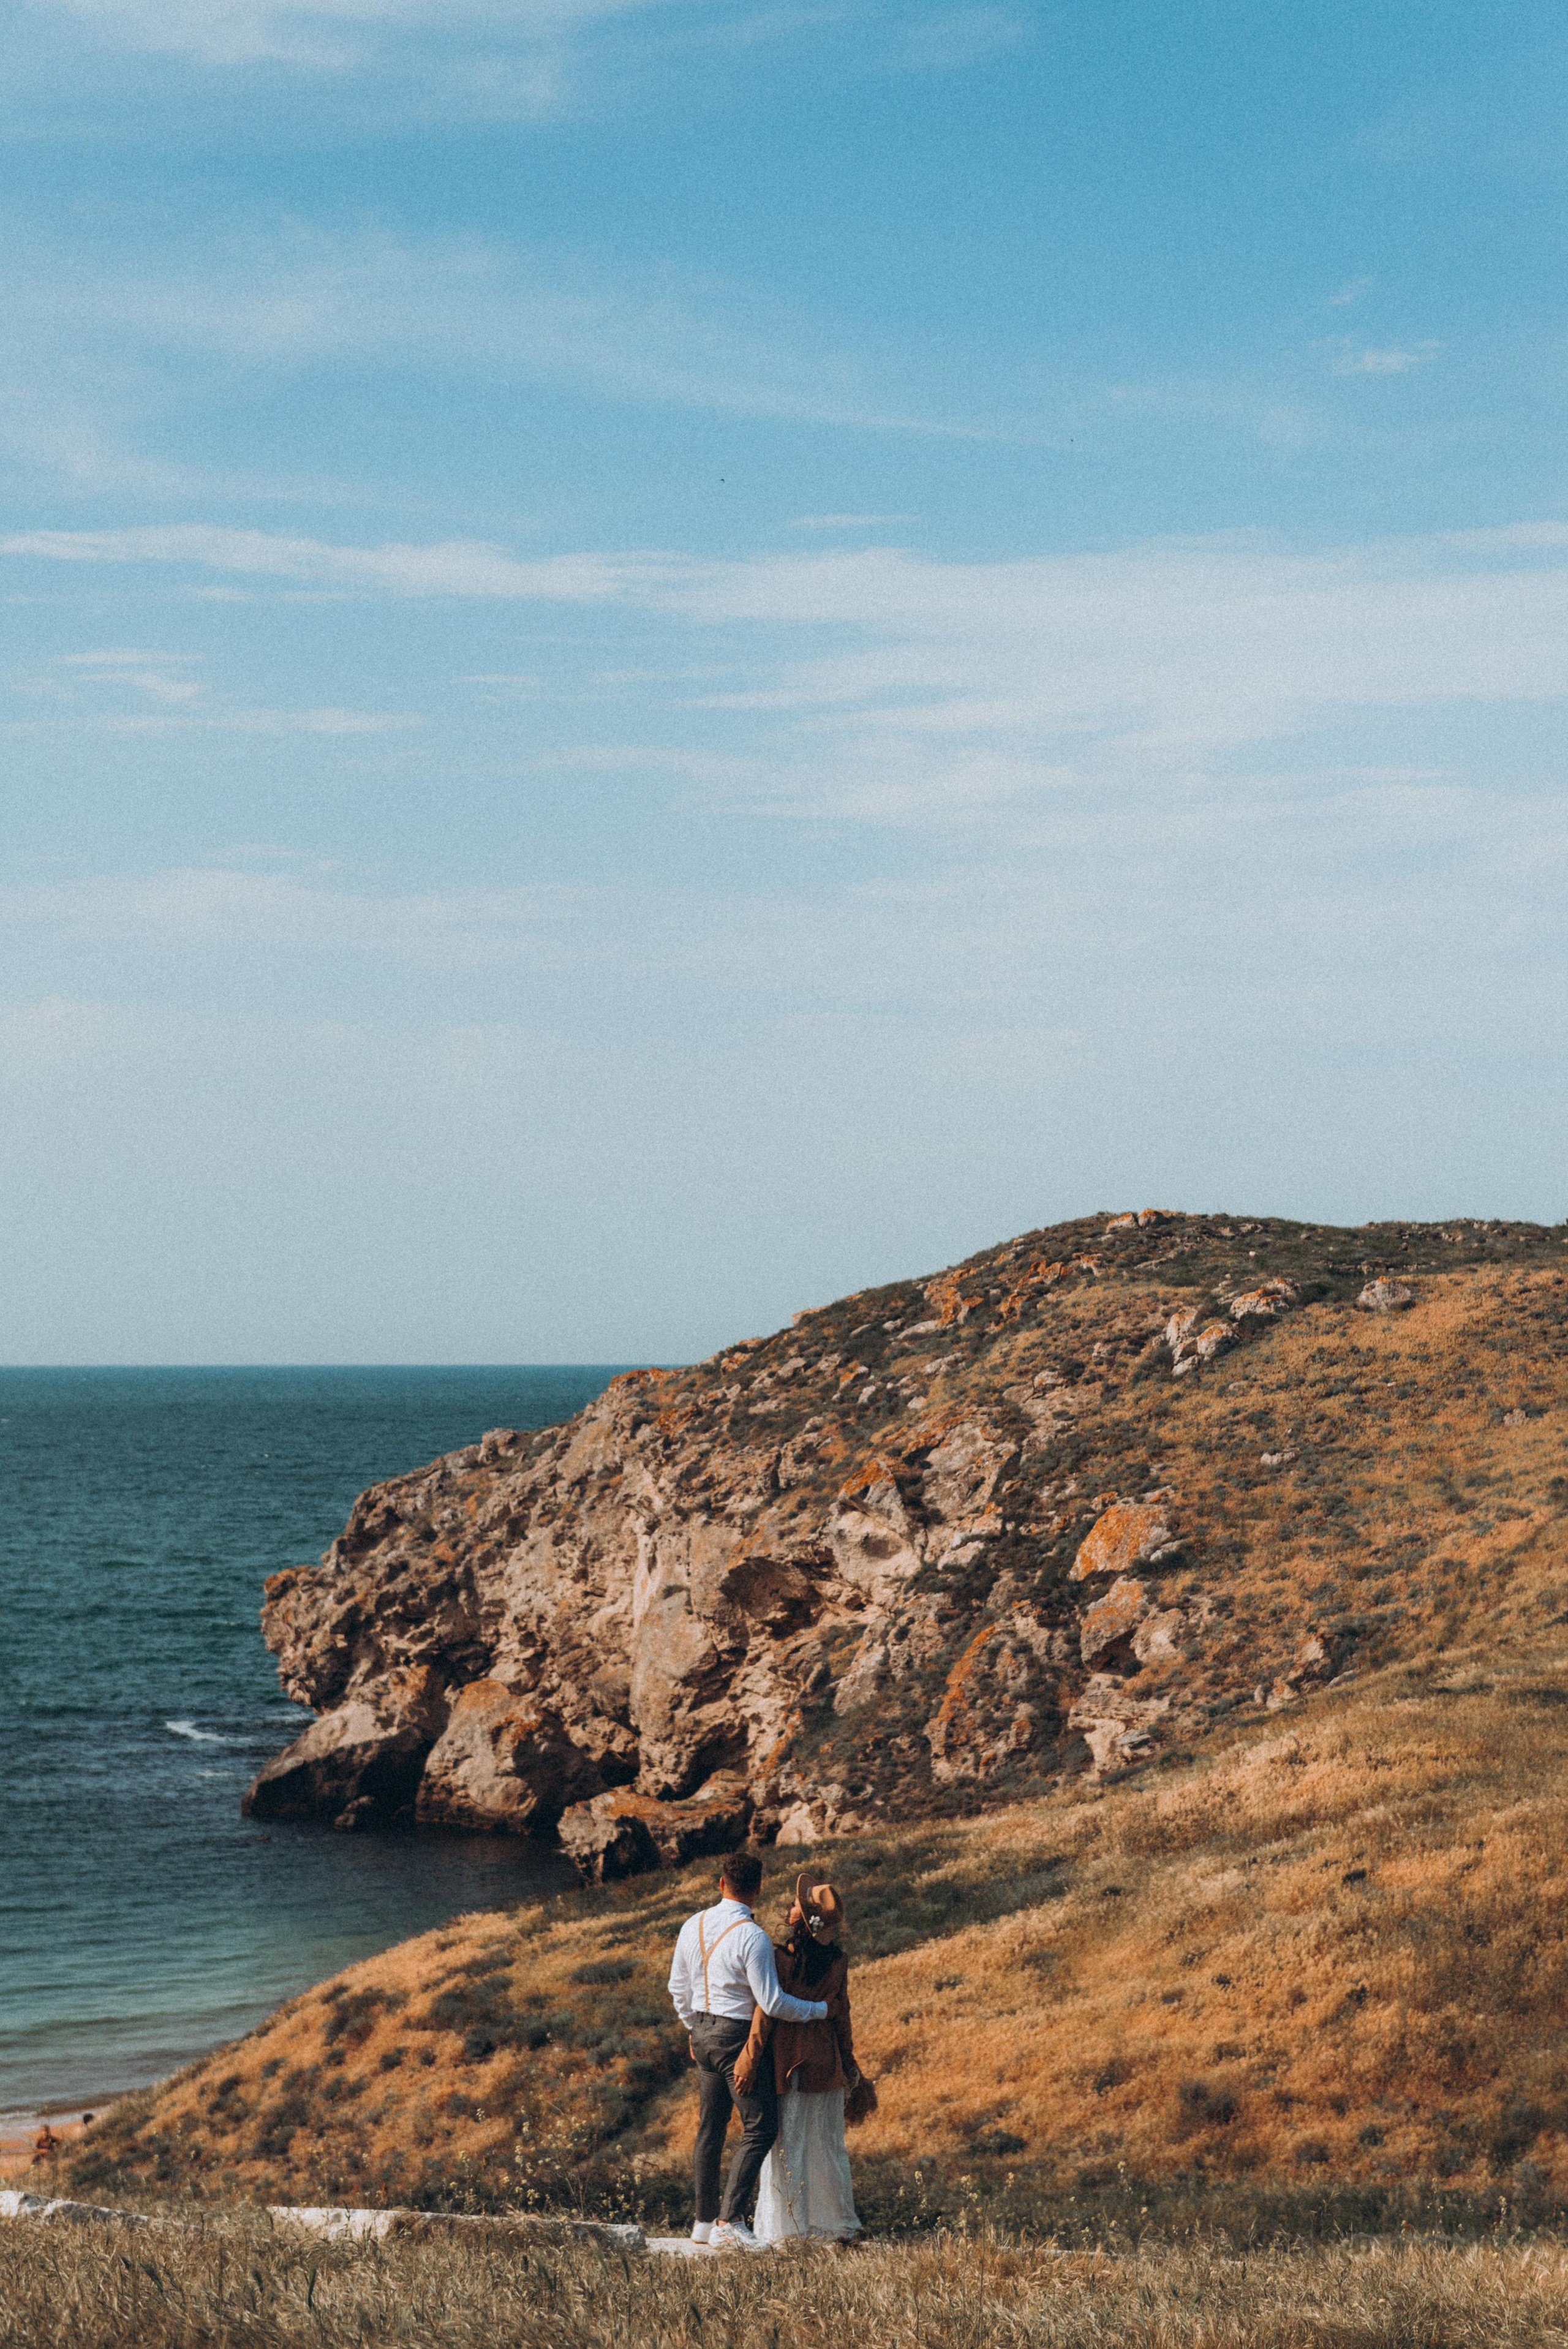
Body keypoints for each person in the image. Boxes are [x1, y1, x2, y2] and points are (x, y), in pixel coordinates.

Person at [667, 1849, 831, 2250]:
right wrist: (820, 2010)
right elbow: (772, 2002)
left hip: (702, 2032)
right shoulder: (753, 1937)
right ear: (757, 1889)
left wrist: (692, 2027)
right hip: (736, 2038)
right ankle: (731, 2220)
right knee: (760, 2127)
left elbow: (677, 1987)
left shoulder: (692, 1924)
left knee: (710, 2128)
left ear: (722, 1883)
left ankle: (703, 2222)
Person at [739, 1874, 867, 2245]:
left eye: (797, 1903)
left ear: (803, 1919)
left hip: (789, 2061)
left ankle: (787, 2229)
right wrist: (849, 2063)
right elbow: (843, 2016)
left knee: (787, 2145)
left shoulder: (781, 1958)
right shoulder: (838, 1961)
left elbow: (765, 2013)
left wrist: (750, 2059)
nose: (791, 1905)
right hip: (826, 2061)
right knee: (828, 2145)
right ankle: (834, 2226)